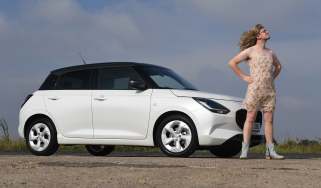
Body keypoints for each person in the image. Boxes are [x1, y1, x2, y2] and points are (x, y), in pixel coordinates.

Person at [228, 24, 284, 159]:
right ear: (258, 36)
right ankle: (244, 150)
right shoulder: (250, 51)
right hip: (254, 89)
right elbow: (232, 62)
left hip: (269, 90)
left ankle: (270, 150)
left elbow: (279, 66)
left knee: (269, 120)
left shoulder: (270, 52)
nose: (267, 32)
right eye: (264, 31)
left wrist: (271, 78)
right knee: (250, 118)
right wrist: (244, 77)